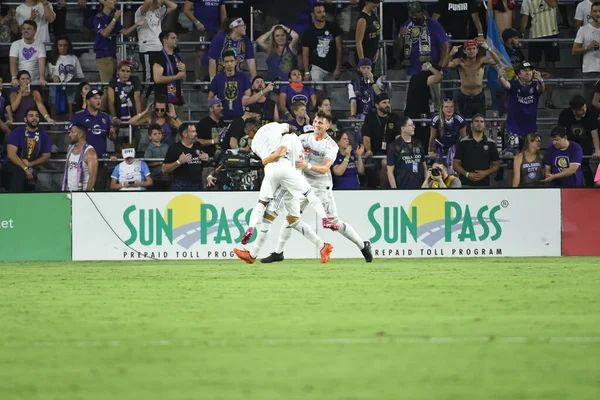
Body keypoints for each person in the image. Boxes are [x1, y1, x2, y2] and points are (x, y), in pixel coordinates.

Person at [260, 114, 373, 264]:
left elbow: (325, 168)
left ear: (327, 126)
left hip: (321, 186)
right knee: (291, 218)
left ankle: (362, 245)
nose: (316, 124)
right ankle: (278, 253)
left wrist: (307, 165)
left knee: (334, 223)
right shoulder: (304, 138)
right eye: (315, 121)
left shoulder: (331, 145)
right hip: (303, 183)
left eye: (320, 122)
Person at [234, 121, 339, 264]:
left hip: (284, 178)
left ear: (251, 132)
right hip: (294, 177)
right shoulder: (289, 136)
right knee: (293, 220)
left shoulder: (279, 140)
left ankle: (252, 254)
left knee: (267, 217)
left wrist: (264, 161)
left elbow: (277, 155)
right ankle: (323, 246)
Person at [443, 40, 501, 118]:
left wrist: (488, 48)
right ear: (464, 51)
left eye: (474, 48)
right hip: (464, 96)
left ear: (477, 50)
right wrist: (451, 53)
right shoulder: (460, 61)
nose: (471, 51)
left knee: (480, 122)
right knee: (464, 123)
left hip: (479, 96)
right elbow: (445, 65)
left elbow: (497, 61)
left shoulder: (482, 60)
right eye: (469, 49)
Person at [498, 62, 545, 154]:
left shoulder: (535, 85)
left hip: (530, 127)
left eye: (529, 70)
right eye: (524, 71)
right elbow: (506, 85)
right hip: (513, 127)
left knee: (530, 154)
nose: (528, 73)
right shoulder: (514, 84)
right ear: (519, 74)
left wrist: (541, 80)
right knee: (512, 155)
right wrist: (500, 77)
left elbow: (541, 89)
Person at [135, 0, 178, 98]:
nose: (161, 2)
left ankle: (159, 107)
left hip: (159, 49)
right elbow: (147, 2)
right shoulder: (141, 11)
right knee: (148, 81)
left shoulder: (159, 11)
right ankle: (141, 109)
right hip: (147, 49)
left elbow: (174, 6)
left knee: (161, 80)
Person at [2, 108, 51, 192]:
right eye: (31, 116)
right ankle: (16, 202)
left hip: (32, 166)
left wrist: (30, 164)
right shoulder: (17, 132)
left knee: (47, 180)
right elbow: (11, 154)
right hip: (13, 166)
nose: (35, 118)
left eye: (37, 116)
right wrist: (25, 168)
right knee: (18, 174)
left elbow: (46, 156)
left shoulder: (43, 134)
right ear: (25, 119)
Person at [558, 94, 600, 187]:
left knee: (584, 165)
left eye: (584, 108)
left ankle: (589, 186)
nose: (584, 110)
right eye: (581, 110)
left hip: (585, 142)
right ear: (574, 110)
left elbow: (594, 133)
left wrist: (597, 150)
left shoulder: (591, 113)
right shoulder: (564, 115)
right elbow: (561, 134)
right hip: (570, 142)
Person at [301, 3, 343, 96]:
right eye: (319, 12)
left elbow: (339, 48)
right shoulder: (308, 31)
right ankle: (317, 109)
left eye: (323, 11)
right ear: (313, 15)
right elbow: (305, 53)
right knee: (317, 92)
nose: (323, 14)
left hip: (331, 67)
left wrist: (338, 68)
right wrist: (307, 71)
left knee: (328, 96)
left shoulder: (334, 27)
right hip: (316, 66)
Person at [453, 114, 500, 187]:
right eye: (477, 121)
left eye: (482, 122)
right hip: (465, 184)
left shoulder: (491, 143)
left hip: (484, 185)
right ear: (471, 124)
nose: (479, 124)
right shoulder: (463, 142)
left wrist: (485, 173)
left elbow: (496, 165)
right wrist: (467, 174)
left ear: (484, 125)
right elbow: (455, 164)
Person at [182, 0, 224, 83]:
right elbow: (186, 9)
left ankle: (213, 79)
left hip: (216, 29)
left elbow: (223, 11)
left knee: (216, 55)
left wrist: (223, 27)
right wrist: (197, 23)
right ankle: (198, 80)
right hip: (201, 29)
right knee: (200, 53)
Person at [161, 123, 209, 191]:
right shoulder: (175, 148)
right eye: (193, 131)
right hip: (180, 185)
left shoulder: (198, 145)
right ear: (185, 134)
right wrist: (179, 162)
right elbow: (164, 169)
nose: (196, 134)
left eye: (195, 131)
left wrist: (206, 158)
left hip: (198, 184)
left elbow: (201, 164)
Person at [47, 35, 84, 120]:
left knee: (70, 112)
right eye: (60, 45)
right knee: (54, 112)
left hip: (70, 88)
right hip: (54, 88)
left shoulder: (73, 58)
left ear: (68, 46)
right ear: (56, 46)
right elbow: (47, 76)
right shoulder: (52, 59)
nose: (63, 48)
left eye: (65, 45)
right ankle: (54, 130)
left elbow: (79, 75)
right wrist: (53, 78)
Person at [208, 50, 251, 120]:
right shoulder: (217, 78)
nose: (229, 64)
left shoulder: (243, 77)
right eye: (227, 61)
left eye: (231, 61)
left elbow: (248, 96)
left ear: (236, 62)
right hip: (222, 117)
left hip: (240, 117)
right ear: (223, 63)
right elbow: (210, 98)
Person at [429, 98, 467, 173]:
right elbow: (432, 137)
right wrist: (430, 151)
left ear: (454, 108)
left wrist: (464, 152)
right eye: (446, 107)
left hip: (454, 144)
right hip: (440, 145)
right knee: (439, 168)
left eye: (451, 107)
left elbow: (464, 138)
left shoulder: (460, 119)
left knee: (453, 169)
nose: (449, 109)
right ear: (442, 109)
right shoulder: (436, 119)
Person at [387, 116, 426, 189]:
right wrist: (395, 190)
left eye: (413, 125)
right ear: (403, 129)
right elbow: (390, 171)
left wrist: (426, 185)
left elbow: (424, 166)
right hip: (402, 187)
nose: (413, 127)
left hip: (419, 187)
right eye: (411, 125)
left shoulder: (418, 143)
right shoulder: (394, 146)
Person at [153, 30, 186, 110]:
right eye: (173, 38)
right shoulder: (159, 57)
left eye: (176, 38)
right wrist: (176, 77)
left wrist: (184, 70)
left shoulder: (177, 57)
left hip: (178, 100)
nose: (176, 40)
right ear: (165, 41)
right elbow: (157, 79)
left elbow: (183, 78)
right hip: (164, 104)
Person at [9, 20, 47, 87]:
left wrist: (42, 78)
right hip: (19, 82)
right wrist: (14, 78)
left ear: (35, 31)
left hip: (35, 82)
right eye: (24, 29)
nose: (25, 31)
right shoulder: (15, 44)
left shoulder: (40, 45)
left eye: (29, 29)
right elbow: (13, 63)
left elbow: (41, 63)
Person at [61, 123, 98, 192]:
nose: (69, 135)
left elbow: (92, 177)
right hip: (68, 191)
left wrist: (86, 195)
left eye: (72, 132)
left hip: (82, 192)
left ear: (80, 135)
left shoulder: (90, 153)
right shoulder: (70, 148)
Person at [144, 124, 171, 191]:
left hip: (166, 177)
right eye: (155, 134)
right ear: (150, 137)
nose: (158, 135)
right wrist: (160, 162)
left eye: (159, 133)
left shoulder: (166, 147)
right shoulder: (149, 149)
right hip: (154, 178)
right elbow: (147, 164)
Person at [355, 0, 381, 64]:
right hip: (365, 54)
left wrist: (377, 50)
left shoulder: (372, 14)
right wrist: (362, 61)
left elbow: (376, 35)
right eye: (375, 2)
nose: (377, 5)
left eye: (378, 3)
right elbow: (358, 42)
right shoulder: (362, 19)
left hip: (372, 54)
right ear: (366, 2)